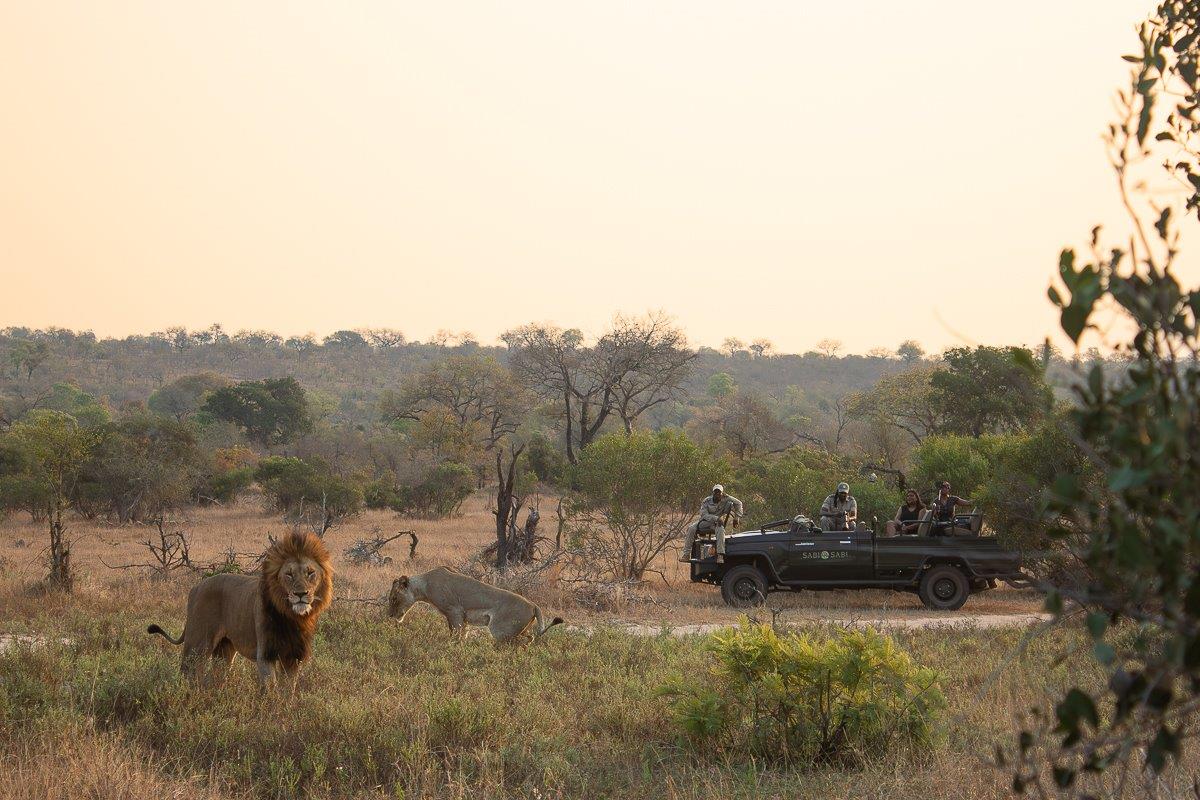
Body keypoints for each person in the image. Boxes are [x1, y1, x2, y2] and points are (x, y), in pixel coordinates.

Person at [680, 484, 743, 564]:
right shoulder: (706, 501)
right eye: (715, 492)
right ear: (713, 493)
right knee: (691, 528)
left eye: (719, 492)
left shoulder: (726, 498)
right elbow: (704, 515)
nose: (717, 494)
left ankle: (720, 555)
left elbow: (739, 503)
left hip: (716, 523)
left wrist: (736, 518)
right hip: (705, 522)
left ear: (722, 493)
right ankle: (686, 554)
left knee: (720, 529)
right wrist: (716, 518)